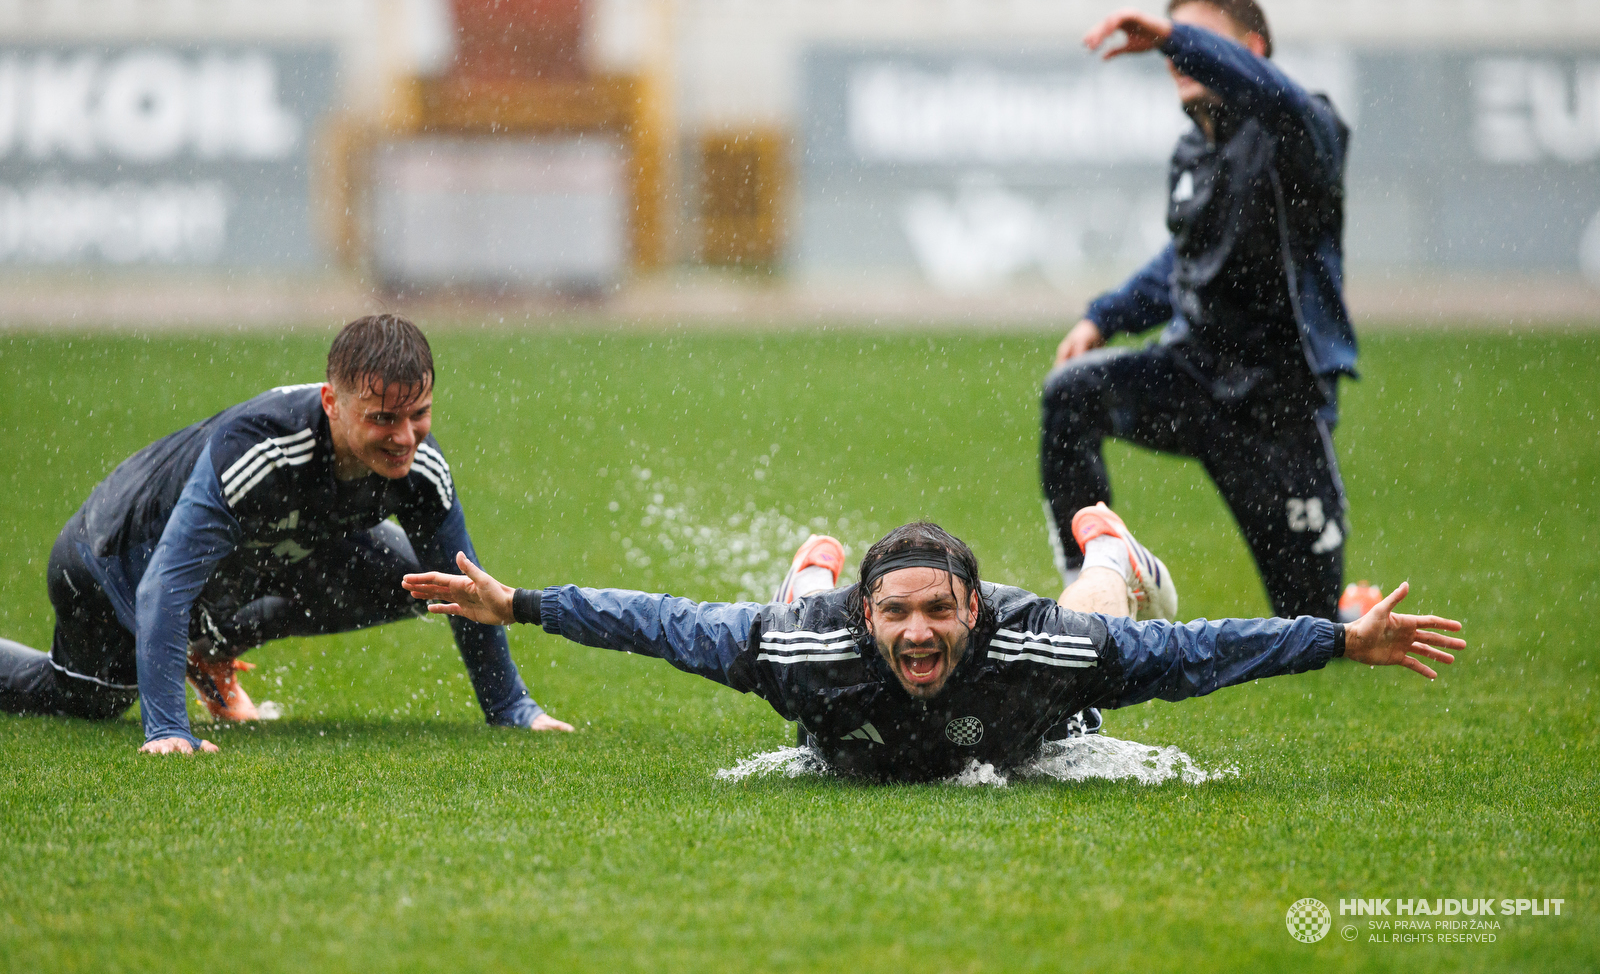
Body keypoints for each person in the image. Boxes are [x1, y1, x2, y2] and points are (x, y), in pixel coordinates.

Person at [402, 505, 1462, 783]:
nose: (919, 631)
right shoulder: (810, 646)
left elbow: (1190, 656)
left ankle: (1110, 546)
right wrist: (521, 604)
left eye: (940, 613)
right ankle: (813, 569)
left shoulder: (1029, 641)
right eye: (897, 613)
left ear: (973, 610)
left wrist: (1336, 639)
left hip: (1038, 689)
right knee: (783, 621)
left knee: (1105, 623)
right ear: (868, 615)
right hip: (819, 636)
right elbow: (662, 623)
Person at [0, 314, 571, 754]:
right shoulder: (261, 451)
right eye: (382, 419)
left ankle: (211, 649)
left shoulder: (420, 467)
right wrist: (169, 729)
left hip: (250, 558)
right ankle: (192, 646)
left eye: (417, 414)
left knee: (419, 584)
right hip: (110, 559)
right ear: (332, 404)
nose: (405, 438)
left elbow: (464, 586)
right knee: (91, 701)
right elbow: (163, 585)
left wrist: (512, 709)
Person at [1041, 0, 1358, 622]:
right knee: (1071, 394)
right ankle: (1094, 591)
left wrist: (1170, 36)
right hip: (1192, 379)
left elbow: (1276, 94)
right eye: (1173, 44)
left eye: (1198, 40)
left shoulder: (1302, 129)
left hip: (1279, 406)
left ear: (1252, 50)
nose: (1176, 56)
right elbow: (1184, 266)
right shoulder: (1191, 153)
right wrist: (1104, 315)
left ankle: (1346, 605)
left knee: (1313, 623)